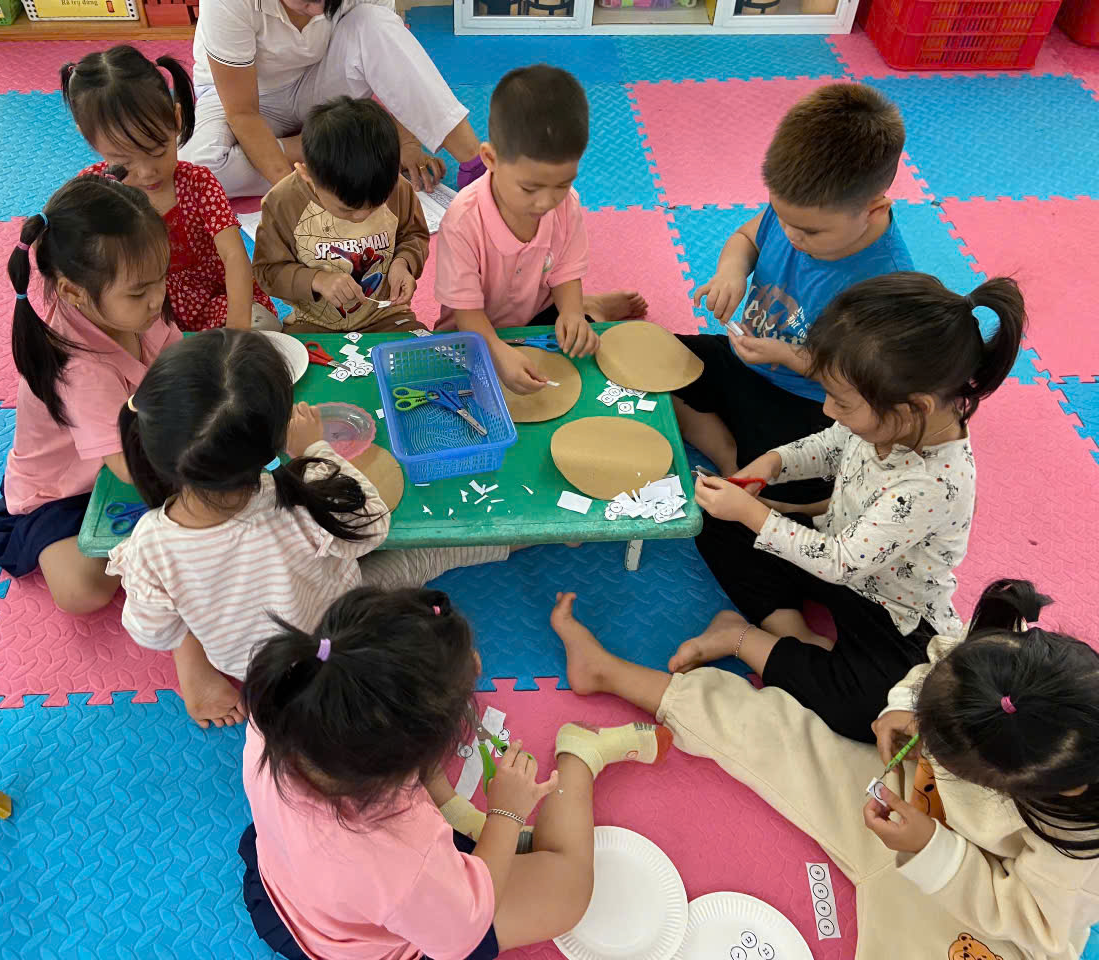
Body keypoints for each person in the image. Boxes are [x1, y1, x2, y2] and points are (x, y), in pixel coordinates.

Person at [551, 579, 1099, 960]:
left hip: (977, 901)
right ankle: (608, 672)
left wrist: (932, 848)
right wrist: (903, 708)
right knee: (780, 738)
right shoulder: (1004, 664)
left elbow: (1035, 923)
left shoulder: (1079, 848)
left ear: (1008, 783)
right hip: (906, 799)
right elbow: (938, 666)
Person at [679, 272, 1026, 741]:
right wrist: (768, 466)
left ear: (915, 407)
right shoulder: (893, 417)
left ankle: (742, 639)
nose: (827, 410)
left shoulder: (933, 484)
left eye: (841, 402)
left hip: (892, 608)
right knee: (713, 521)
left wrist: (754, 513)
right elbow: (828, 446)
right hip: (832, 547)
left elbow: (841, 562)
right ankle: (794, 637)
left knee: (878, 710)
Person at [239, 585, 673, 960]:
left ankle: (452, 808)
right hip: (359, 941)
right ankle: (579, 755)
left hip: (285, 893)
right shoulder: (405, 864)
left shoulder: (279, 709)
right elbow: (462, 931)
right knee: (568, 891)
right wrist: (507, 812)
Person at [106, 329, 509, 728]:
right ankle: (510, 545)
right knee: (418, 557)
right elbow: (374, 528)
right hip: (343, 633)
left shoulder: (148, 544)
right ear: (276, 437)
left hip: (261, 671)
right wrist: (314, 450)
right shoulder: (294, 500)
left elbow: (153, 632)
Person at [676, 83, 913, 504]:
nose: (790, 235)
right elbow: (746, 237)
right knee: (648, 361)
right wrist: (731, 273)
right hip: (744, 362)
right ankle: (730, 458)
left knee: (797, 480)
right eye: (782, 217)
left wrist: (785, 355)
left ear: (874, 210)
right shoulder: (800, 211)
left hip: (807, 400)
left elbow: (860, 382)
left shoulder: (885, 284)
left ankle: (741, 467)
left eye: (809, 232)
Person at [0, 175, 182, 615]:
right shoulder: (80, 368)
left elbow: (181, 363)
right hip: (62, 489)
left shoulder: (135, 311)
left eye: (161, 280)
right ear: (73, 291)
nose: (157, 299)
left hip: (119, 454)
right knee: (83, 593)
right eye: (139, 291)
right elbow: (129, 468)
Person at [434, 65, 647, 395]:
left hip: (535, 316)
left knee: (579, 346)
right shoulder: (462, 221)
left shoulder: (567, 205)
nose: (547, 202)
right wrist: (497, 350)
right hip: (471, 330)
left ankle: (587, 307)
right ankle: (591, 306)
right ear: (490, 158)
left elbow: (565, 272)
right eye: (530, 188)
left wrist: (572, 314)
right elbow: (467, 312)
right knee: (456, 385)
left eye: (562, 184)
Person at [62, 45, 279, 334]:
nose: (147, 172)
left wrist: (237, 332)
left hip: (214, 305)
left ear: (176, 120)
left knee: (262, 328)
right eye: (124, 162)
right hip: (140, 314)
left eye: (157, 151)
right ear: (90, 140)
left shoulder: (197, 183)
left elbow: (234, 257)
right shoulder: (93, 190)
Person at [181, 0, 487, 199]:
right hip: (242, 96)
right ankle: (350, 142)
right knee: (195, 171)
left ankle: (477, 163)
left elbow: (390, 53)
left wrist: (407, 143)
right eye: (307, 0)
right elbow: (242, 113)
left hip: (316, 80)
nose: (318, 10)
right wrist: (295, 193)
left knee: (375, 21)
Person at [253, 96, 429, 333]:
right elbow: (267, 271)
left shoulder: (398, 189)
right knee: (285, 356)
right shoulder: (283, 202)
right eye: (347, 210)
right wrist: (317, 280)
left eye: (375, 206)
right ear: (307, 174)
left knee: (419, 350)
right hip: (313, 323)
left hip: (387, 316)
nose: (362, 216)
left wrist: (403, 263)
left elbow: (414, 236)